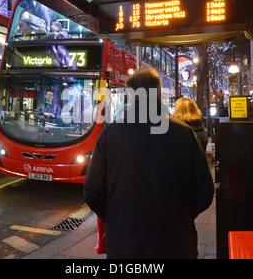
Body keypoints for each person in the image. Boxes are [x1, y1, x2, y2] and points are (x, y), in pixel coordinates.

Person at [83, 66, 214, 259]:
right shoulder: (185, 133)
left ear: (131, 96)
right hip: (174, 242)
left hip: (124, 241)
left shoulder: (110, 135)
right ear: (159, 95)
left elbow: (93, 193)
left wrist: (117, 217)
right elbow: (204, 193)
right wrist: (180, 217)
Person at [171, 96, 209, 258]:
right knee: (189, 223)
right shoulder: (202, 130)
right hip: (195, 182)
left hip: (179, 183)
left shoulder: (180, 133)